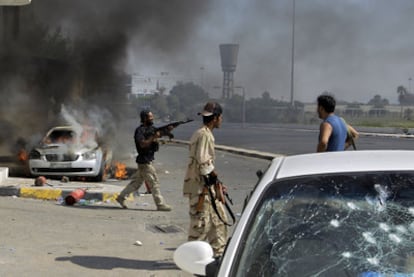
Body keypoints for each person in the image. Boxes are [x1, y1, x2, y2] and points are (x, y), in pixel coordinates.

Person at [183, 101, 228, 257]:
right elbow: (204, 163)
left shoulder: (201, 133)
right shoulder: (204, 135)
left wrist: (217, 184)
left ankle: (219, 254)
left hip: (205, 188)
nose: (221, 120)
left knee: (219, 220)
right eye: (220, 117)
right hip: (201, 189)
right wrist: (215, 179)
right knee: (200, 226)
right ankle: (191, 257)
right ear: (215, 118)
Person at [116, 109, 172, 211]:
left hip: (145, 161)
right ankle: (160, 204)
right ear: (145, 118)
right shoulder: (140, 131)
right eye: (150, 117)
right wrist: (154, 137)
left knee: (136, 183)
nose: (152, 118)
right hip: (145, 161)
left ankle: (121, 197)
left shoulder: (152, 129)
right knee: (154, 183)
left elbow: (160, 133)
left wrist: (168, 131)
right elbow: (142, 144)